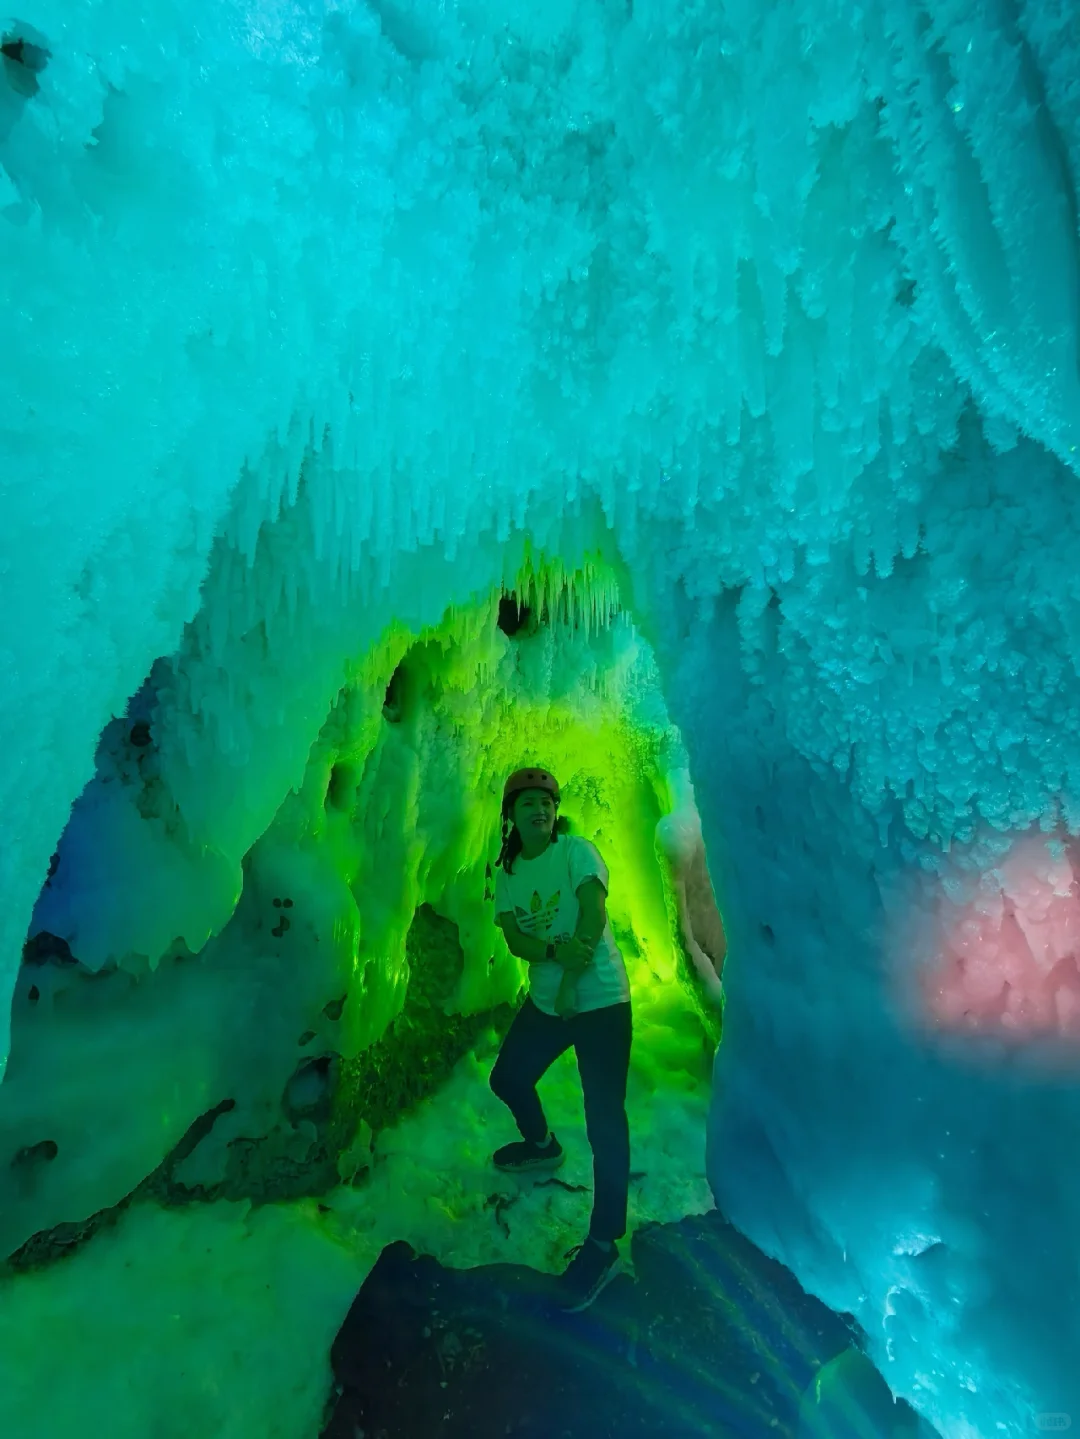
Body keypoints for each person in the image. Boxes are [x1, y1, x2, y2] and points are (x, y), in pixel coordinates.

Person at [489, 766, 632, 1312]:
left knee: (605, 1121)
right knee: (508, 1077)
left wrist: (572, 979)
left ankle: (603, 1243)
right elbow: (517, 939)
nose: (540, 810)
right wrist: (553, 959)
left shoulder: (575, 852)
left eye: (547, 803)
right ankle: (542, 1146)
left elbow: (593, 912)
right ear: (512, 815)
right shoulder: (509, 872)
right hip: (549, 1003)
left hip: (600, 1002)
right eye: (528, 803)